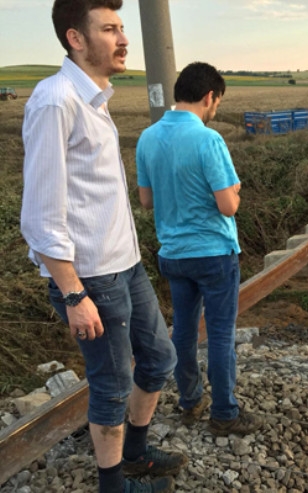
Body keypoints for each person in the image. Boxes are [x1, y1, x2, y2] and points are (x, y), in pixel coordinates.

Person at [20, 1, 185, 492]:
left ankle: (134, 454)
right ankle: (114, 485)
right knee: (111, 388)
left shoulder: (94, 97)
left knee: (159, 359)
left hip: (125, 267)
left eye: (122, 27)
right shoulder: (56, 101)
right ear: (76, 38)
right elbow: (41, 215)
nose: (123, 39)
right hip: (91, 277)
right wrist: (73, 294)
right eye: (110, 28)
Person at [136, 62, 264, 437]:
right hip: (212, 253)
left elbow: (146, 201)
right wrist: (234, 192)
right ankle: (225, 413)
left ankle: (190, 400)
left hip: (173, 255)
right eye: (217, 102)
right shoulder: (209, 140)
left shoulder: (147, 137)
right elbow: (228, 206)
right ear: (210, 96)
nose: (215, 109)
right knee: (221, 335)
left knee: (184, 331)